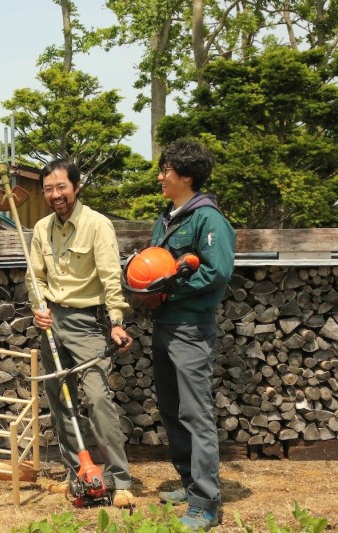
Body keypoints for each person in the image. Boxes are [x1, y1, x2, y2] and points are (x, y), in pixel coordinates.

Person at [29, 159, 135, 507]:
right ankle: (78, 476)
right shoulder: (41, 228)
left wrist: (117, 320)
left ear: (76, 187)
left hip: (86, 323)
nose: (55, 195)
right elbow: (36, 277)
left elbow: (109, 276)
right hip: (50, 322)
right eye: (48, 189)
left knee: (98, 397)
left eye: (61, 187)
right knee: (61, 400)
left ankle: (120, 480)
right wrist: (38, 305)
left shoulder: (97, 225)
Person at [150, 138, 235, 531]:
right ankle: (188, 482)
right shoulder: (167, 218)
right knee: (171, 408)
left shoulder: (208, 219)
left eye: (166, 169)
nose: (161, 176)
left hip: (190, 327)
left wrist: (169, 290)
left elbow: (217, 272)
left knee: (196, 414)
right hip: (164, 325)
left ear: (186, 176)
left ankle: (205, 503)